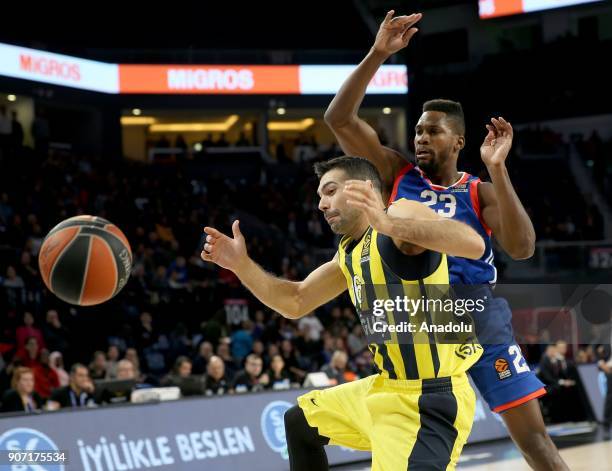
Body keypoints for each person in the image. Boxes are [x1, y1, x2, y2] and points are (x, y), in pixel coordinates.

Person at [324, 10, 566, 470]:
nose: (420, 137)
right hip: (419, 316)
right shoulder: (396, 172)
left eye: (432, 131)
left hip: (476, 311)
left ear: (458, 141)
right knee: (419, 445)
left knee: (535, 442)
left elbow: (522, 248)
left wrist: (498, 168)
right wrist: (378, 54)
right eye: (417, 129)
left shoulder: (480, 190)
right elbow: (339, 117)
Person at [202, 156, 484, 470]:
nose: (322, 204)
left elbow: (472, 244)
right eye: (320, 196)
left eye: (330, 191)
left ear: (365, 189)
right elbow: (295, 301)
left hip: (427, 401)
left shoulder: (401, 212)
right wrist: (241, 265)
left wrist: (389, 224)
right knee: (301, 422)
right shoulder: (350, 250)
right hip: (386, 387)